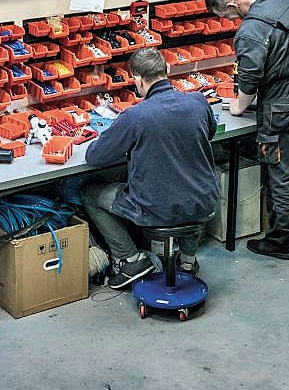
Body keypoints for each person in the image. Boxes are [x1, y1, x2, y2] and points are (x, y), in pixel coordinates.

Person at [82, 48, 220, 290]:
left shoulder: (135, 116)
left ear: (137, 80)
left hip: (155, 209)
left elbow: (95, 157)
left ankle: (131, 259)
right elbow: (209, 133)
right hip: (205, 201)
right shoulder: (198, 101)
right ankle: (188, 261)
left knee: (89, 194)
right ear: (167, 70)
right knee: (188, 189)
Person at [205, 0, 289, 260]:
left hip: (283, 103)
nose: (231, 21)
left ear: (232, 4)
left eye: (227, 16)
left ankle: (280, 240)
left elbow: (249, 80)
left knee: (280, 172)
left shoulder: (250, 31)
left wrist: (238, 106)